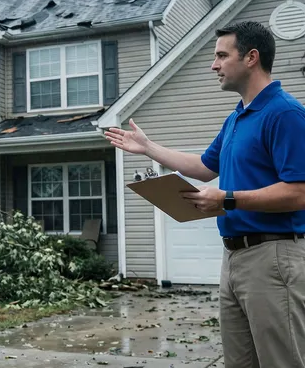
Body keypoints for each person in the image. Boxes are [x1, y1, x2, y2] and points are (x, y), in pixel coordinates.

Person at [104, 20, 305, 367]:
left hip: (274, 256)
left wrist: (227, 199)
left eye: (222, 56)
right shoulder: (237, 118)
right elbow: (203, 166)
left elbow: (299, 192)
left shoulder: (285, 114)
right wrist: (149, 148)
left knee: (281, 361)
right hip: (234, 258)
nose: (214, 65)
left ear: (251, 58)